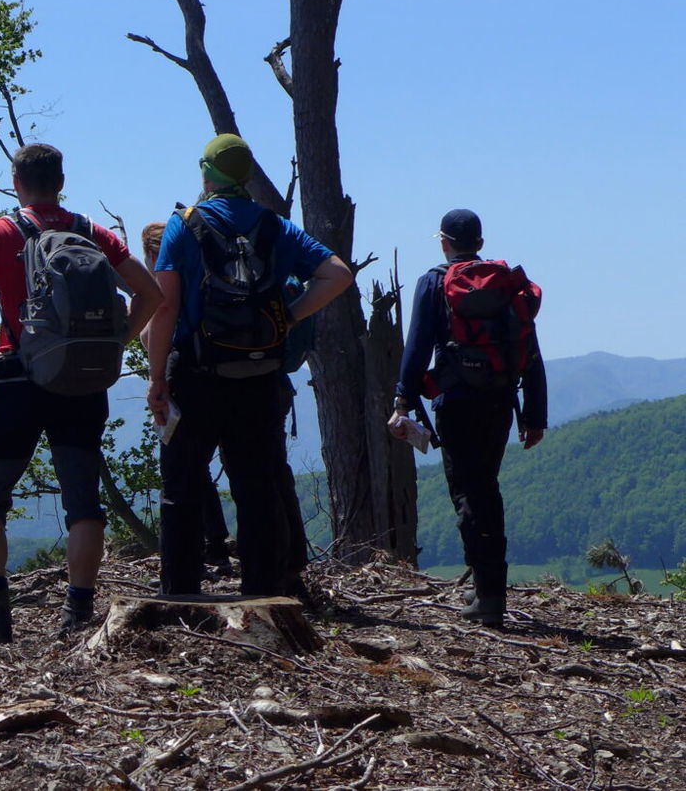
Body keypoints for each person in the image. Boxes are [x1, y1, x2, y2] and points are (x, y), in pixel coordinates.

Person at [0, 144, 162, 643]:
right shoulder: (91, 233)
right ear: (61, 182)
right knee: (83, 501)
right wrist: (113, 344)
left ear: (17, 182)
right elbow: (151, 294)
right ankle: (78, 615)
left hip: (17, 379)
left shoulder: (0, 233)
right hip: (83, 381)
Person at [146, 135, 353, 601]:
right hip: (259, 376)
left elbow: (164, 309)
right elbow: (338, 274)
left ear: (206, 173)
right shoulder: (273, 225)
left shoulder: (183, 226)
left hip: (197, 374)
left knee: (181, 485)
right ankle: (263, 592)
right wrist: (289, 315)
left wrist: (158, 379)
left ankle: (180, 592)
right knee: (256, 487)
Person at [390, 208, 547, 627]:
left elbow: (417, 345)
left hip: (456, 401)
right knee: (485, 488)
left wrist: (403, 398)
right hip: (500, 399)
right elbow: (529, 349)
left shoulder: (434, 281)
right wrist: (535, 414)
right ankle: (486, 585)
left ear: (444, 242)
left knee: (469, 494)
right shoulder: (505, 285)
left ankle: (489, 596)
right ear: (479, 242)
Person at [140, 221, 232, 575]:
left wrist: (156, 378)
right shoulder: (202, 278)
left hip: (185, 382)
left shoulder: (167, 284)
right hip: (232, 378)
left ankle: (184, 570)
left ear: (153, 254)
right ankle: (219, 547)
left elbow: (151, 340)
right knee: (215, 470)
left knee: (180, 475)